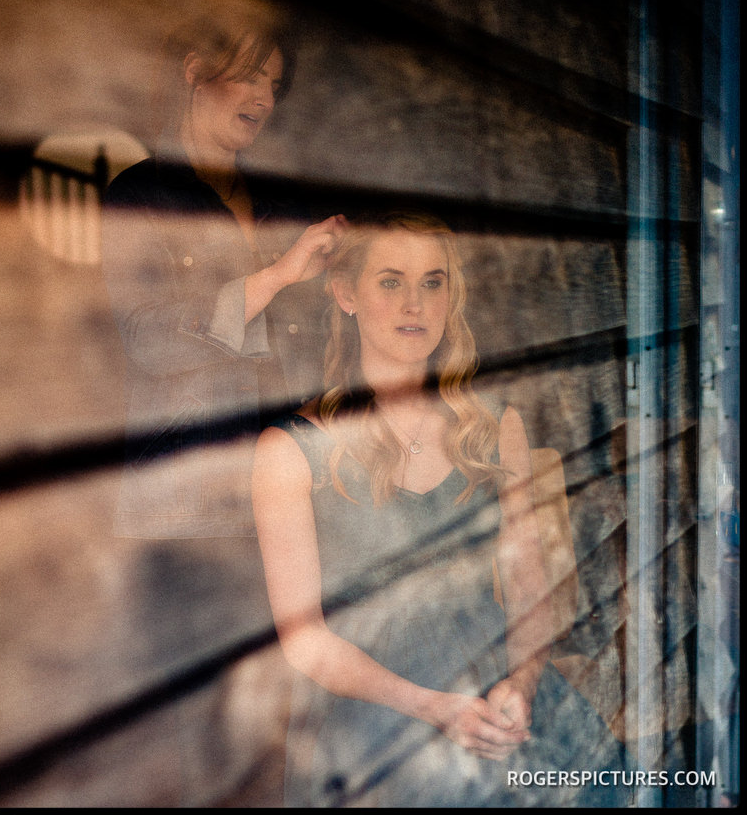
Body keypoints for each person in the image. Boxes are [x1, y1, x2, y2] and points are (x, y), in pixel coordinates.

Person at [251, 211, 630, 806]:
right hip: (369, 720)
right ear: (346, 294)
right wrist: (432, 709)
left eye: (433, 283)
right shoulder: (290, 451)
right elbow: (305, 642)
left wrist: (522, 685)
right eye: (391, 281)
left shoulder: (494, 429)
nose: (415, 304)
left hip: (492, 706)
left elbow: (529, 583)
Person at [98, 2, 348, 803]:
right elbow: (149, 340)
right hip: (189, 509)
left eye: (274, 84)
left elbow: (291, 354)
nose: (263, 97)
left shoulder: (266, 201)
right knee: (209, 743)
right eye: (248, 74)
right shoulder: (142, 189)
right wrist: (277, 275)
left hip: (282, 496)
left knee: (280, 726)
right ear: (194, 73)